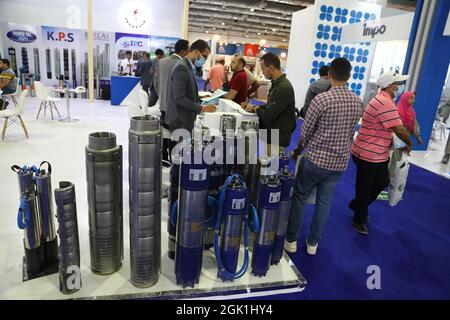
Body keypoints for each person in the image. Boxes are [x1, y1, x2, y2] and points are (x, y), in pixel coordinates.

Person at [284, 58, 363, 255]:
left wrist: (297, 151)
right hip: (339, 162)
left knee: (300, 196)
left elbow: (306, 132)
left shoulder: (321, 100)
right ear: (349, 76)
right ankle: (313, 243)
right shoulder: (357, 101)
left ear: (329, 75)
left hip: (315, 159)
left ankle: (291, 240)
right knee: (324, 202)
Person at [350, 72, 412, 235]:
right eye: (398, 83)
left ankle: (358, 205)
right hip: (369, 154)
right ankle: (359, 218)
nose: (400, 87)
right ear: (390, 86)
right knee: (365, 187)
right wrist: (409, 143)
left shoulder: (383, 100)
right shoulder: (385, 102)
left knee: (379, 182)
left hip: (375, 152)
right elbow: (398, 129)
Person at [242, 52, 296, 156]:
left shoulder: (282, 88)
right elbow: (271, 106)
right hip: (272, 134)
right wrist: (254, 107)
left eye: (263, 69)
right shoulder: (277, 84)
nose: (262, 72)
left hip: (277, 137)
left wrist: (255, 109)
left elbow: (269, 115)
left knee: (270, 169)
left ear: (271, 68)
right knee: (266, 165)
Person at [165, 39, 216, 138]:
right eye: (204, 56)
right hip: (180, 120)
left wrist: (199, 97)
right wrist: (202, 108)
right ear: (196, 51)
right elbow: (179, 98)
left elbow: (186, 91)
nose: (204, 60)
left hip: (185, 118)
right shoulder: (182, 67)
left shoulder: (188, 66)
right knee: (181, 151)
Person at [154, 39, 190, 165]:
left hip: (162, 106)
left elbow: (156, 83)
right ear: (183, 51)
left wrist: (162, 96)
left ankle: (164, 159)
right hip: (174, 108)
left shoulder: (161, 62)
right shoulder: (181, 65)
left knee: (165, 132)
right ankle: (175, 163)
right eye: (188, 50)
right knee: (175, 135)